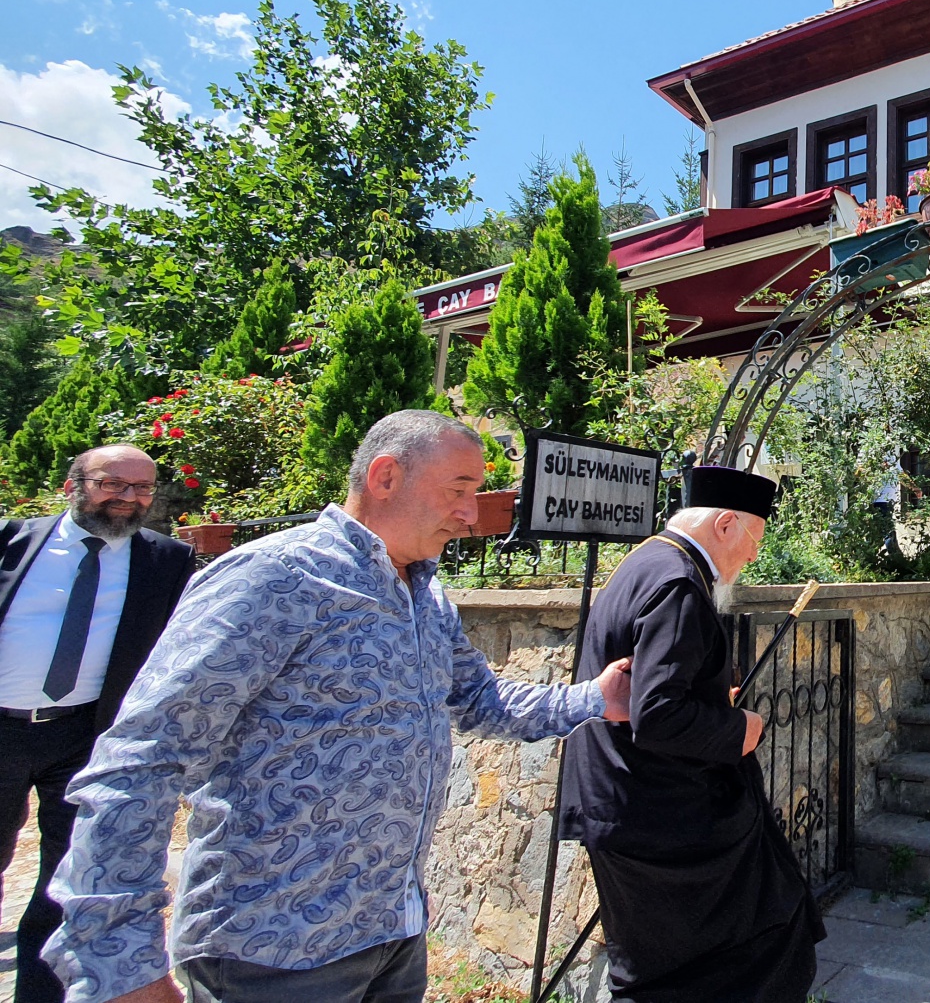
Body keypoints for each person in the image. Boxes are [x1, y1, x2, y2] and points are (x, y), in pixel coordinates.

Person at [43, 411, 633, 1003]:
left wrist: (595, 697)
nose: (471, 515)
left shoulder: (425, 593)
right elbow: (144, 758)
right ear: (385, 477)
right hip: (273, 949)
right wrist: (120, 960)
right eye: (459, 490)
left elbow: (480, 700)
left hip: (394, 931)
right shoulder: (275, 576)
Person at [561, 465, 824, 1003]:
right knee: (743, 949)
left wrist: (710, 699)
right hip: (658, 814)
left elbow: (651, 686)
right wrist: (740, 727)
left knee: (670, 965)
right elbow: (657, 713)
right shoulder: (678, 582)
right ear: (726, 525)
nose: (753, 557)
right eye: (755, 539)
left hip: (625, 802)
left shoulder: (647, 560)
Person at [0, 445, 193, 1003]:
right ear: (72, 485)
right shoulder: (11, 540)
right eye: (113, 484)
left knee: (66, 881)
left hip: (86, 737)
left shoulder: (167, 561)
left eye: (142, 488)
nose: (128, 498)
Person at [869, 453, 921, 556]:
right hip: (878, 500)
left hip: (889, 501)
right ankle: (896, 558)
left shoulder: (891, 454)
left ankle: (870, 558)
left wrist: (914, 488)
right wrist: (876, 468)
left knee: (881, 533)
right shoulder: (869, 450)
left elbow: (900, 474)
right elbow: (858, 472)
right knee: (887, 532)